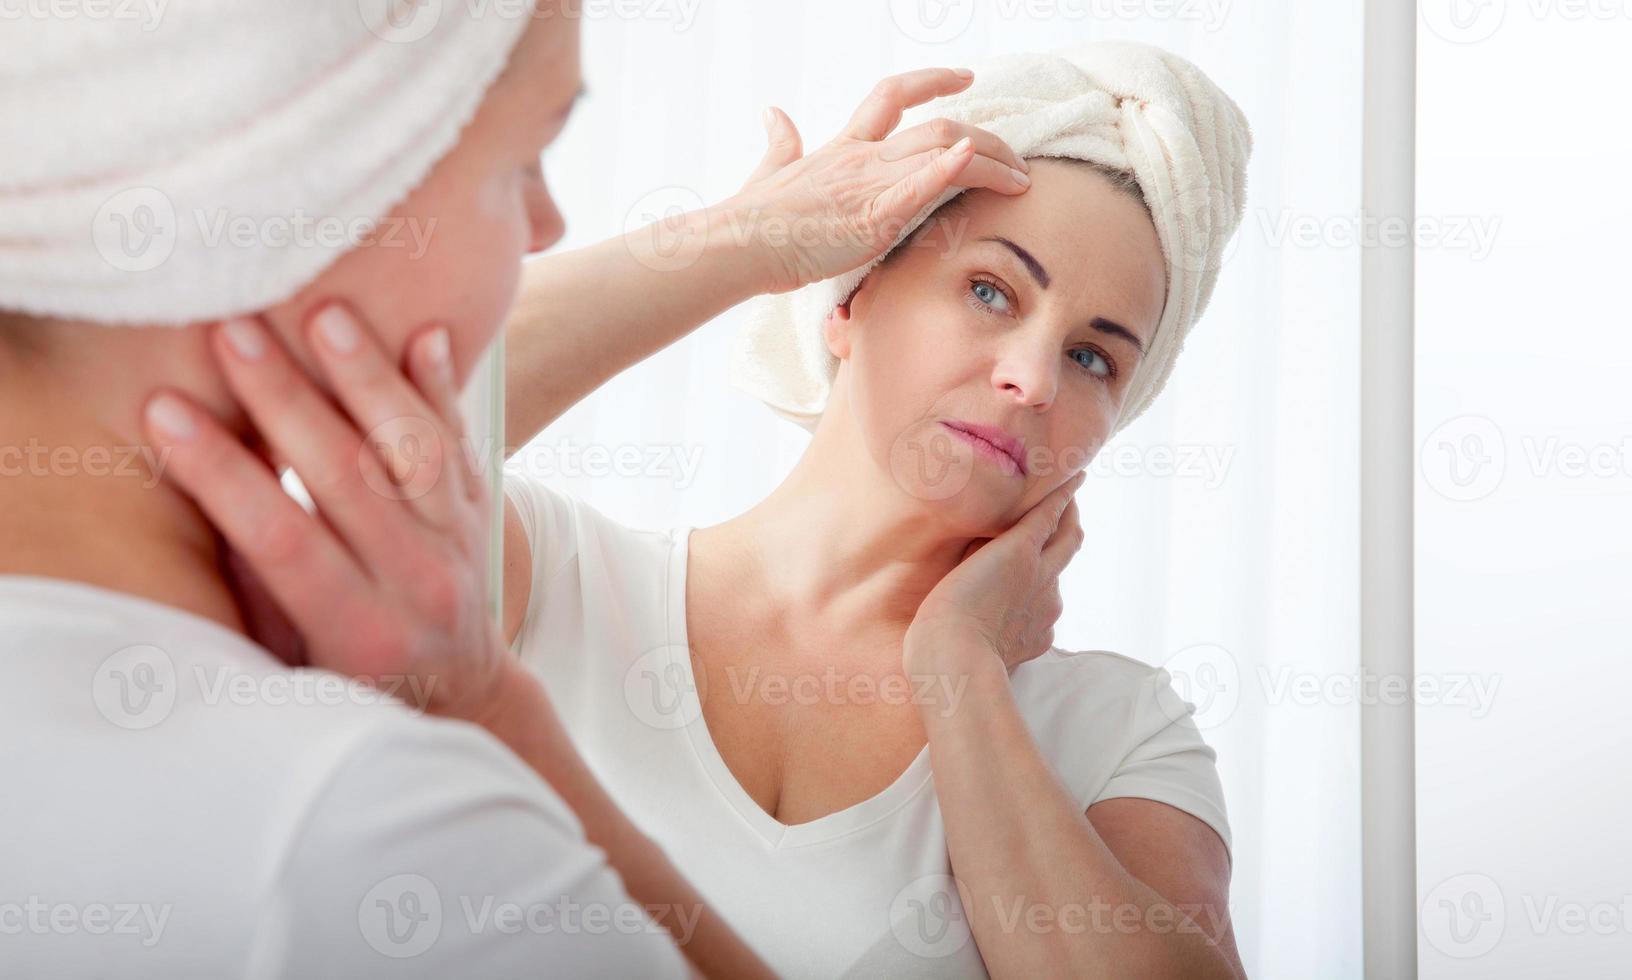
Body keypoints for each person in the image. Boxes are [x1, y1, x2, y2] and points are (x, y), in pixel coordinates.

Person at [165, 42, 1255, 978]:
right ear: (851, 294)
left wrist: (961, 669)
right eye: (989, 290)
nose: (1031, 377)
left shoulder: (1113, 733)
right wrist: (746, 240)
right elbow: (367, 417)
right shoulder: (547, 577)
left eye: (1093, 356)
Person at [0, 3, 1022, 976]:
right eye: (521, 160)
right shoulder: (362, 833)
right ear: (290, 189)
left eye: (1103, 355)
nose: (545, 225)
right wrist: (490, 708)